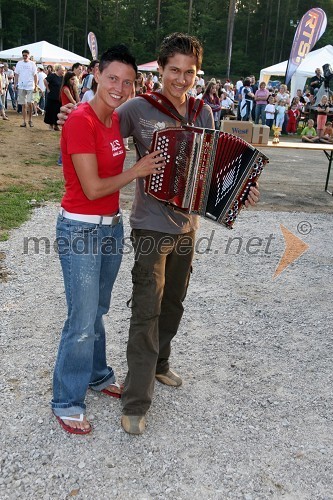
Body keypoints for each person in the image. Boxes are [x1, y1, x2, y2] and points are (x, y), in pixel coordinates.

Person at [58, 33, 260, 436]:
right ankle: (135, 400)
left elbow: (213, 169)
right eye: (174, 71)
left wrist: (241, 189)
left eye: (189, 73)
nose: (181, 79)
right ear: (161, 69)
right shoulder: (138, 107)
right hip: (149, 225)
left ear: (196, 74)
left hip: (188, 224)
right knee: (146, 310)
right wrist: (71, 113)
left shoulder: (204, 113)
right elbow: (102, 119)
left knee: (174, 303)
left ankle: (161, 363)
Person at [51, 44, 164, 434]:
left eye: (128, 82)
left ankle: (97, 374)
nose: (119, 87)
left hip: (110, 228)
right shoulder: (81, 120)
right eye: (113, 78)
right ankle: (67, 399)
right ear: (96, 74)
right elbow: (94, 186)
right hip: (81, 229)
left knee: (97, 309)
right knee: (81, 319)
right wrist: (137, 171)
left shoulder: (115, 120)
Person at [14, 49, 38, 127]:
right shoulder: (19, 63)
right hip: (21, 86)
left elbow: (35, 75)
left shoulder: (32, 64)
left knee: (30, 103)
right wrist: (15, 84)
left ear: (29, 55)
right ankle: (24, 121)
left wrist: (36, 85)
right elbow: (16, 74)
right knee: (23, 104)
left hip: (30, 86)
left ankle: (30, 120)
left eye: (26, 55)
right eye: (23, 55)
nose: (24, 57)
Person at [44, 64, 65, 131]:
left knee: (57, 111)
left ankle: (56, 125)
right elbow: (45, 80)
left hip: (59, 98)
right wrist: (47, 89)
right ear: (58, 70)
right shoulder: (53, 76)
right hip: (52, 96)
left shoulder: (63, 77)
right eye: (62, 70)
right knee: (51, 111)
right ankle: (51, 125)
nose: (63, 71)